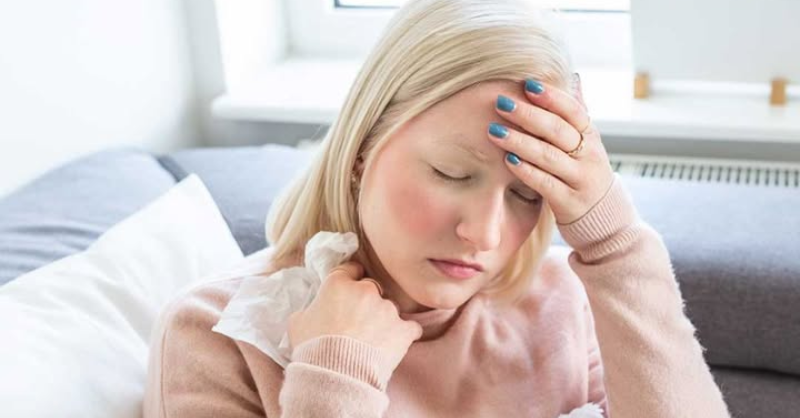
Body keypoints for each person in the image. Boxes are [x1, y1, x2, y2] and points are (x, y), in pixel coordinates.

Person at [143, 0, 732, 416]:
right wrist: (336, 377)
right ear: (362, 148)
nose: (485, 234)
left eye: (526, 194)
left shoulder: (558, 301)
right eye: (452, 173)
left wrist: (614, 243)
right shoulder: (216, 335)